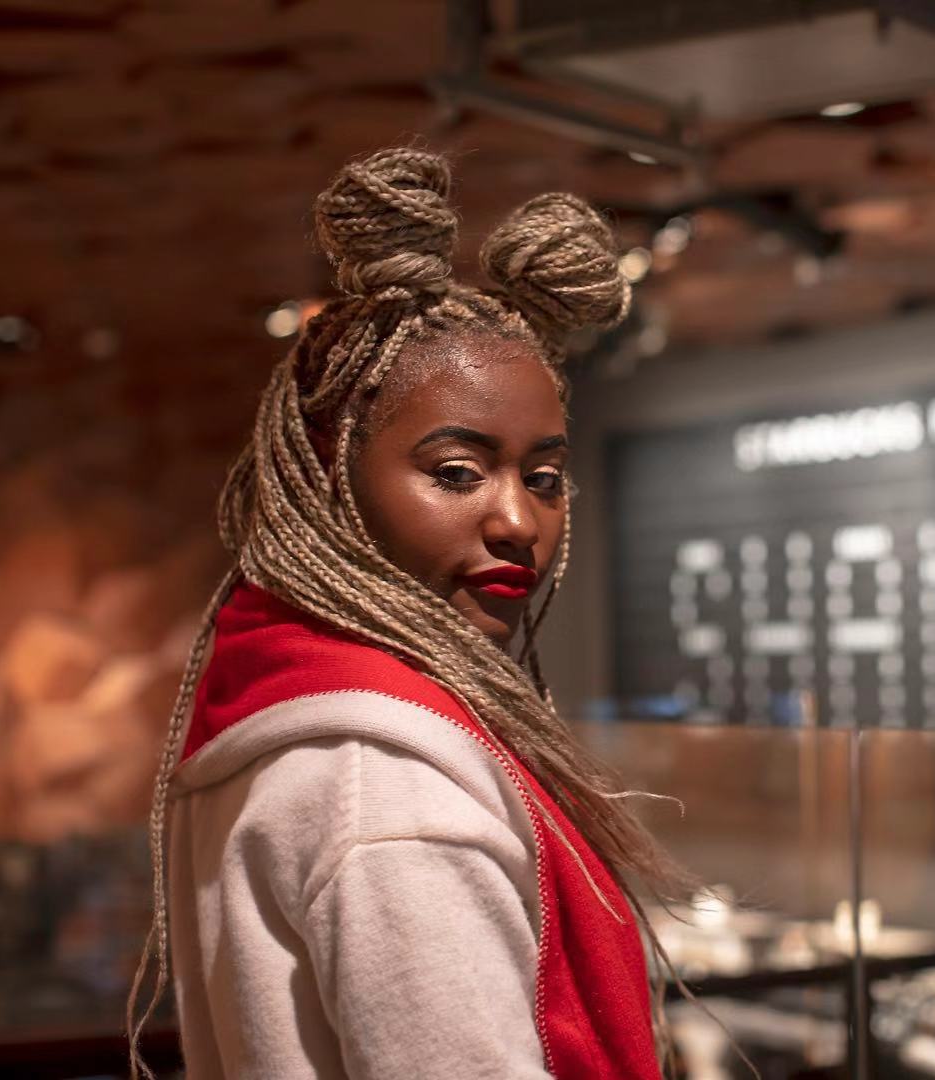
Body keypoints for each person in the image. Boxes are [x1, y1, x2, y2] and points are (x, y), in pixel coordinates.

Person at [125, 147, 687, 1079]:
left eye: (543, 477)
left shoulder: (280, 703)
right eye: (456, 473)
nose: (517, 520)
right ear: (330, 480)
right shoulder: (386, 787)